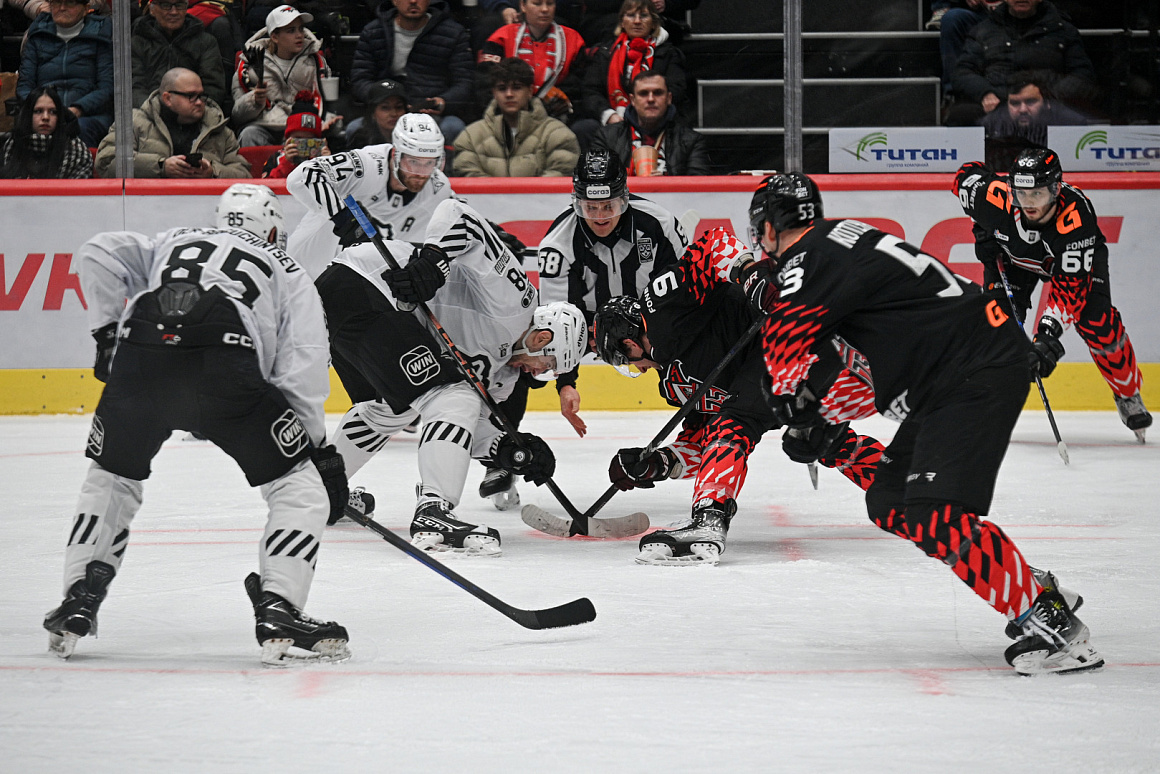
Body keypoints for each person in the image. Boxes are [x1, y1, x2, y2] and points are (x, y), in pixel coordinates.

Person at [733, 171, 1102, 675]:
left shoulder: (808, 259)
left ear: (771, 226)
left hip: (974, 369)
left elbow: (785, 337)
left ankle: (1055, 628)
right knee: (891, 501)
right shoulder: (844, 240)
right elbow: (848, 355)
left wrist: (786, 405)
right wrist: (816, 415)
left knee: (934, 513)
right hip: (960, 369)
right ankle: (1025, 583)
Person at [43, 184, 351, 667]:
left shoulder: (174, 238)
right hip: (224, 365)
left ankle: (79, 596)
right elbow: (303, 362)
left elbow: (97, 251)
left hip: (143, 354)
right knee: (299, 489)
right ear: (272, 227)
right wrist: (311, 448)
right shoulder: (287, 266)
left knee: (111, 478)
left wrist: (106, 335)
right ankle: (280, 606)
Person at [591, 232, 882, 565]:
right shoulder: (675, 384)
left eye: (622, 361)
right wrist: (659, 464)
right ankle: (909, 489)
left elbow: (713, 245)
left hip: (806, 343)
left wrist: (750, 273)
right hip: (807, 379)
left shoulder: (662, 304)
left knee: (735, 421)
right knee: (823, 441)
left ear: (627, 345)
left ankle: (709, 520)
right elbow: (701, 444)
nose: (635, 370)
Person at [316, 198, 587, 556]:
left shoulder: (503, 379)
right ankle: (434, 511)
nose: (542, 374)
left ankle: (317, 491)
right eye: (549, 363)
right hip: (368, 281)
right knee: (451, 395)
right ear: (542, 337)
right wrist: (432, 261)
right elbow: (457, 214)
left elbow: (465, 426)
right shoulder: (516, 298)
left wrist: (508, 449)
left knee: (390, 409)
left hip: (363, 312)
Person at [954, 148, 1151, 440]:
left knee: (1098, 322)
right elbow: (964, 174)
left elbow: (1069, 291)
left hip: (1073, 264)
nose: (1029, 203)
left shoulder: (1076, 216)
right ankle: (986, 404)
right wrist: (981, 228)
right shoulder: (990, 197)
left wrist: (1046, 337)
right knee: (995, 326)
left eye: (1038, 194)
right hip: (1013, 261)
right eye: (1022, 194)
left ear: (1056, 189)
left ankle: (1127, 392)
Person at [536, 148, 688, 437]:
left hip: (652, 321)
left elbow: (683, 301)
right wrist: (566, 382)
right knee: (528, 366)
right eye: (590, 207)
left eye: (609, 206)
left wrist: (659, 349)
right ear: (577, 203)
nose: (600, 216)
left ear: (625, 198)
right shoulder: (557, 244)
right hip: (590, 331)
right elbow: (559, 322)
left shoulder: (660, 225)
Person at [286, 112, 452, 279]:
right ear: (396, 155)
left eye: (430, 163)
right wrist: (345, 219)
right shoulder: (365, 165)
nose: (421, 173)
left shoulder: (438, 187)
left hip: (357, 285)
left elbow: (462, 225)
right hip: (303, 274)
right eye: (413, 162)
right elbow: (302, 176)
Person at [948, 0, 1097, 126]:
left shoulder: (1063, 30)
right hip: (998, 102)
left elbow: (1083, 75)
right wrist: (985, 93)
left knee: (1077, 118)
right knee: (960, 115)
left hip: (1049, 104)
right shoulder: (983, 30)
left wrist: (1051, 96)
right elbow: (963, 72)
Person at [349, 0, 474, 144]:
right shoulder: (373, 31)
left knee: (453, 128)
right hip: (387, 107)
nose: (413, 1)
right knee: (354, 129)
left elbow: (464, 82)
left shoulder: (453, 33)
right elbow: (360, 79)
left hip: (429, 109)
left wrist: (443, 102)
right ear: (395, 1)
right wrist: (381, 99)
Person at [94, 67, 250, 178]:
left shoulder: (220, 130)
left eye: (201, 95)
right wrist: (160, 166)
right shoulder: (132, 122)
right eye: (191, 96)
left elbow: (244, 176)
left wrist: (212, 172)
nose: (199, 102)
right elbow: (107, 162)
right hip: (145, 208)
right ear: (168, 98)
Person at [452, 57, 579, 177]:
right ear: (494, 93)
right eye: (502, 88)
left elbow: (560, 175)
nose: (509, 94)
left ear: (530, 91)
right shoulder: (470, 137)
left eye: (516, 88)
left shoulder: (558, 135)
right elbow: (467, 176)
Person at [16, 0, 113, 147]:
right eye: (56, 2)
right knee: (23, 128)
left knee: (78, 128)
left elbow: (107, 87)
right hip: (43, 109)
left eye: (70, 3)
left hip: (88, 114)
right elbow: (24, 85)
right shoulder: (37, 35)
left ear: (86, 8)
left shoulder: (101, 35)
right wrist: (42, 108)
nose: (62, 8)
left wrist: (78, 109)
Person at [231, 4, 331, 147]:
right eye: (291, 30)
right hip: (265, 125)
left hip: (303, 126)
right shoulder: (249, 64)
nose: (299, 35)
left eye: (301, 29)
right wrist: (254, 101)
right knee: (249, 134)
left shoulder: (316, 62)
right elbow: (237, 116)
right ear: (275, 37)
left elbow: (326, 102)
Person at [581, 0, 687, 130]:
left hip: (654, 119)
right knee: (585, 128)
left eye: (643, 16)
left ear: (654, 23)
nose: (637, 21)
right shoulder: (605, 53)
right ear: (622, 22)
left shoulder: (669, 54)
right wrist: (609, 115)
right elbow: (591, 91)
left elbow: (676, 90)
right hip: (613, 121)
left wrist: (645, 114)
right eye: (631, 16)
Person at [477, 0, 587, 124]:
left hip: (556, 119)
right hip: (507, 116)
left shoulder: (573, 40)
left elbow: (579, 85)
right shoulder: (501, 37)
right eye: (537, 4)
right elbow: (485, 82)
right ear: (523, 6)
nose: (545, 9)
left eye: (550, 4)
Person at [589, 71, 710, 176]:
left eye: (658, 93)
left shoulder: (691, 141)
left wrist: (665, 184)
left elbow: (699, 190)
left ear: (669, 98)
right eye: (643, 93)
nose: (651, 99)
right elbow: (595, 180)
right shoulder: (606, 137)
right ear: (633, 100)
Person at [131, 0, 229, 109]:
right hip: (148, 113)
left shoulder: (205, 42)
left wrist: (189, 109)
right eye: (166, 5)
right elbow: (135, 88)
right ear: (152, 10)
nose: (174, 12)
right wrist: (157, 111)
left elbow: (213, 88)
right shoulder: (137, 44)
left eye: (179, 5)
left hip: (195, 113)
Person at [980, 71, 1087, 170]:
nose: (1023, 109)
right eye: (1015, 103)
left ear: (1047, 102)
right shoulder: (989, 125)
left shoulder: (1071, 124)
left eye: (1030, 102)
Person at [0, 85, 93, 178]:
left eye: (53, 112)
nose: (45, 117)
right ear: (28, 115)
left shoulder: (76, 150)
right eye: (38, 111)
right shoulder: (11, 145)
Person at [261, 92, 331, 178]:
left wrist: (329, 165)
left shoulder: (324, 159)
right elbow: (267, 185)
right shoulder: (276, 159)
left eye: (309, 140)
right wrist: (286, 164)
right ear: (288, 139)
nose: (303, 144)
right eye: (298, 139)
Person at [343, 78, 407, 150]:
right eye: (385, 108)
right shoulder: (360, 142)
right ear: (373, 113)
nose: (394, 114)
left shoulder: (415, 139)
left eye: (399, 107)